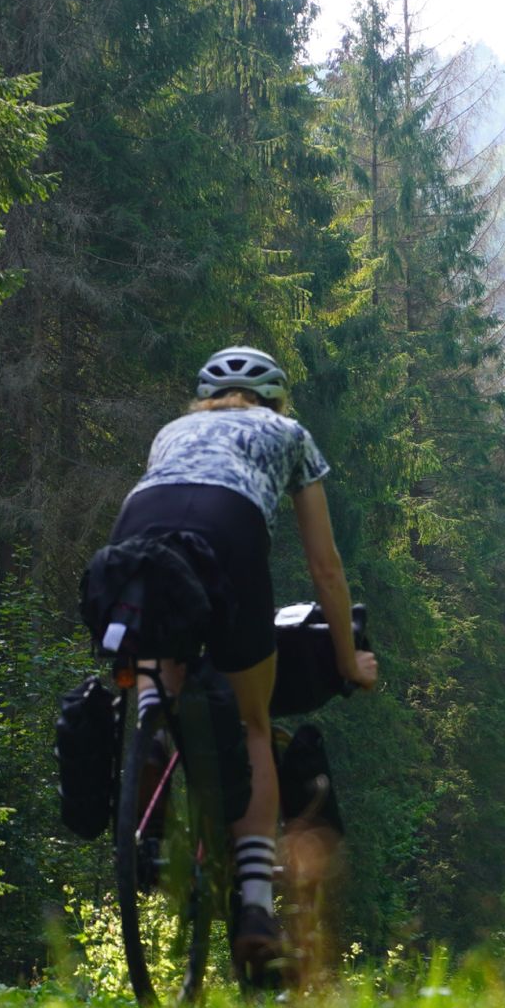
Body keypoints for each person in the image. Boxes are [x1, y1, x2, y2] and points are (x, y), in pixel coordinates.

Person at [106, 345, 377, 974]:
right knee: (254, 724)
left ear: (204, 400)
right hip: (230, 534)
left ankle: (151, 721)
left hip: (138, 535)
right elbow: (325, 568)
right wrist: (348, 661)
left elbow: (172, 508)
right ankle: (255, 902)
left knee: (161, 652)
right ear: (276, 399)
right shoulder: (289, 433)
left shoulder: (172, 431)